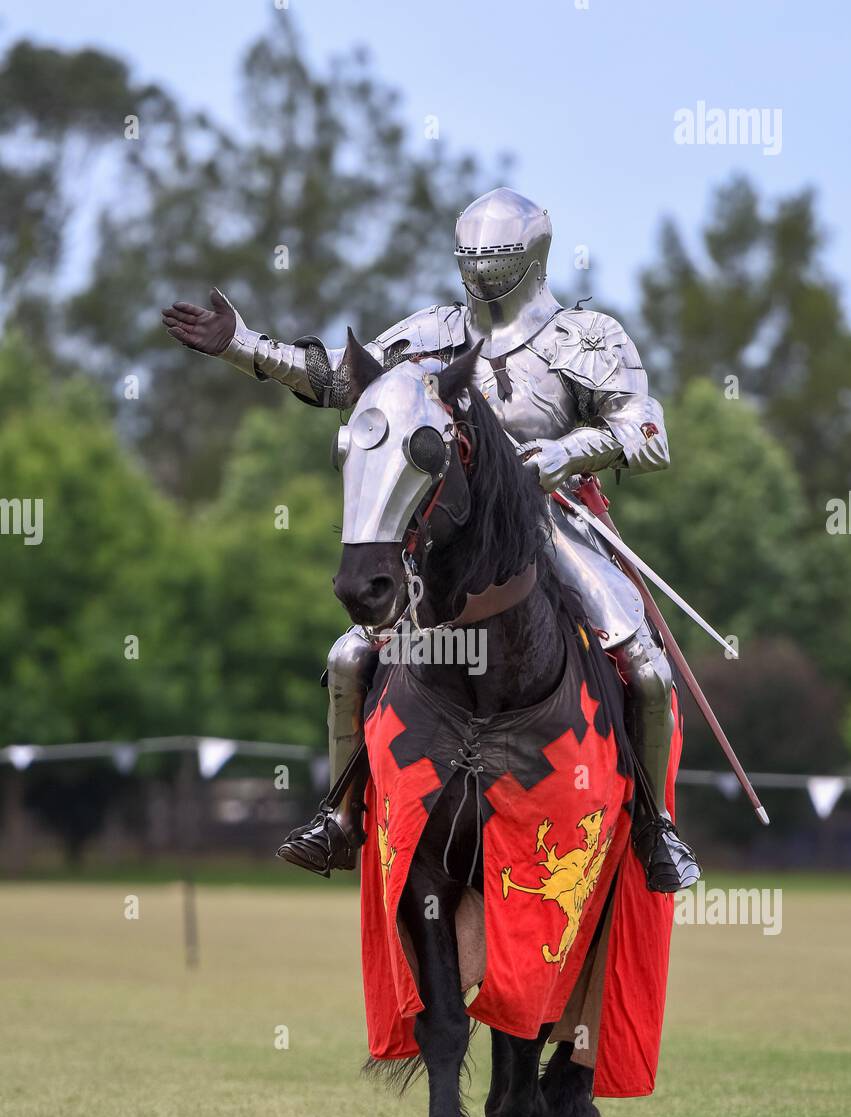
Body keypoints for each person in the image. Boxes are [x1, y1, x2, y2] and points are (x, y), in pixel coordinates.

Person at [162, 188, 699, 892]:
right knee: (351, 653)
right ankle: (340, 817)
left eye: (495, 260)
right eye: (471, 260)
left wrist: (566, 455)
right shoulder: (427, 332)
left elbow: (647, 431)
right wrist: (243, 345)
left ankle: (656, 827)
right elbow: (338, 378)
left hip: (552, 520)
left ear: (531, 258)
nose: (480, 276)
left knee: (647, 666)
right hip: (446, 537)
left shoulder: (588, 337)